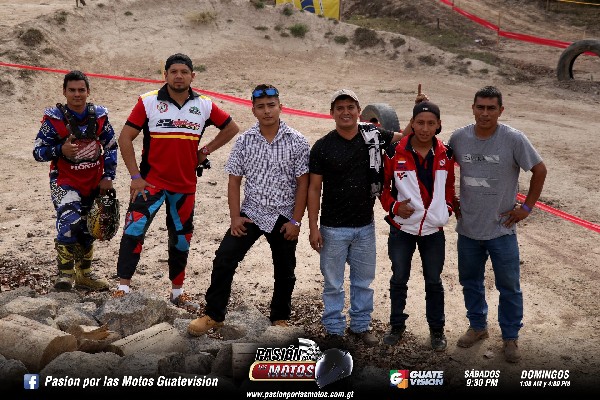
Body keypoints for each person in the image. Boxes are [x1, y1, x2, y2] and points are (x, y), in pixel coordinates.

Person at [113, 53, 240, 311]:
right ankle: (123, 287)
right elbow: (124, 138)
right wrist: (135, 177)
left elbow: (231, 128)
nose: (178, 76)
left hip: (184, 186)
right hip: (150, 183)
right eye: (173, 72)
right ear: (165, 75)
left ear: (192, 76)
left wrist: (204, 151)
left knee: (181, 239)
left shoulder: (204, 105)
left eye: (184, 72)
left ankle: (177, 292)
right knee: (133, 232)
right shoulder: (148, 101)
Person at [188, 84, 310, 336]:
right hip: (251, 213)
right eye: (261, 107)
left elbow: (303, 183)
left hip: (284, 215)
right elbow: (234, 181)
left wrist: (296, 221)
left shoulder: (297, 141)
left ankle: (280, 318)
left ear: (280, 107)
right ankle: (214, 315)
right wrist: (235, 217)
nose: (267, 111)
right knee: (224, 258)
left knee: (285, 268)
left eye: (271, 105)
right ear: (253, 110)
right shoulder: (244, 141)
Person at [307, 89, 421, 347]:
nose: (345, 112)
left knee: (363, 282)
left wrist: (417, 112)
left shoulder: (373, 135)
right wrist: (313, 227)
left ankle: (360, 326)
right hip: (332, 228)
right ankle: (334, 330)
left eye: (350, 107)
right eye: (340, 108)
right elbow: (314, 189)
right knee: (333, 283)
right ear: (332, 113)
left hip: (365, 226)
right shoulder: (322, 147)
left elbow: (405, 139)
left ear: (359, 112)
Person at [449, 86, 547, 363]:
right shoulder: (459, 138)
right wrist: (450, 200)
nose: (485, 113)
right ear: (472, 108)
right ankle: (477, 326)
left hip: (502, 229)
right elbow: (439, 166)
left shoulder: (513, 139)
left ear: (500, 111)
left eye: (491, 108)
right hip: (468, 229)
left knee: (509, 286)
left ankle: (511, 337)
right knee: (470, 281)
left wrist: (526, 208)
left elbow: (540, 170)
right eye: (480, 107)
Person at [379, 101, 455, 351]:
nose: (425, 128)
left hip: (433, 231)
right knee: (399, 278)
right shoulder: (393, 152)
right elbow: (382, 187)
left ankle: (437, 330)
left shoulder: (447, 154)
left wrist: (446, 210)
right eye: (420, 122)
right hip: (402, 229)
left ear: (439, 125)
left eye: (431, 123)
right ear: (412, 124)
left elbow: (449, 187)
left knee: (433, 281)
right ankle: (396, 325)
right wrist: (393, 207)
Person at [33, 70, 116, 292]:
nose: (77, 94)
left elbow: (111, 146)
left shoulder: (100, 116)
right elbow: (37, 152)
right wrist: (60, 149)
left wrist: (108, 176)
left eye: (81, 90)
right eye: (72, 90)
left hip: (94, 180)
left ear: (88, 91)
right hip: (65, 180)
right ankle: (65, 274)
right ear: (64, 92)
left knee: (90, 226)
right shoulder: (53, 120)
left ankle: (84, 275)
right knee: (70, 222)